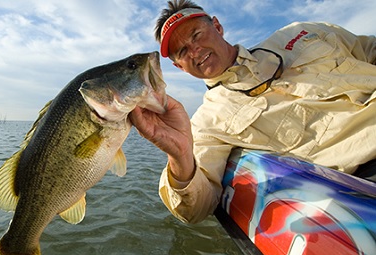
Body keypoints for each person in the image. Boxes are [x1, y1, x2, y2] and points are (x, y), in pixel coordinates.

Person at [129, 0, 376, 224]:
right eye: (182, 51)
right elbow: (195, 208)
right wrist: (180, 155)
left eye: (196, 34)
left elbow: (368, 48)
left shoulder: (300, 32)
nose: (194, 51)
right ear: (178, 67)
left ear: (217, 26)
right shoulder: (207, 122)